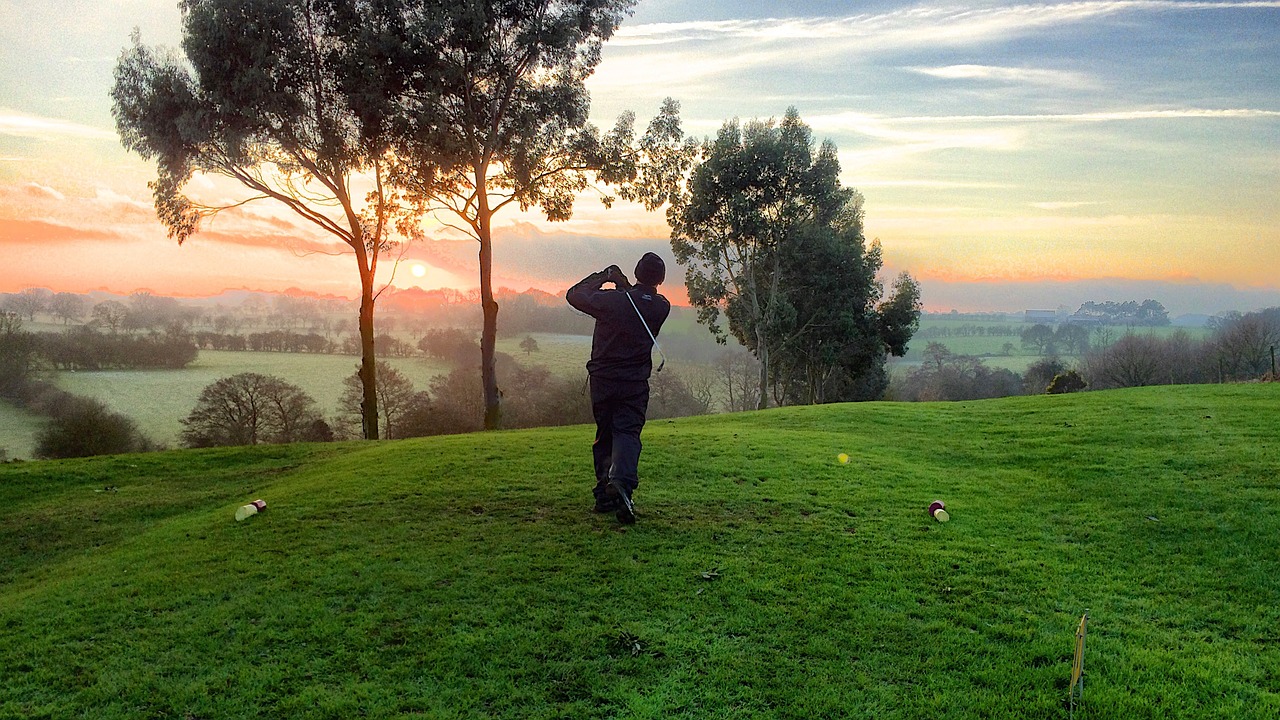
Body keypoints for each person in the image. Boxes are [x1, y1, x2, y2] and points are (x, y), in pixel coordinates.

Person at [566, 252, 670, 523]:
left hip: (603, 379)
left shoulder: (612, 301)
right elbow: (638, 301)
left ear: (636, 272)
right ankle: (622, 483)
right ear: (660, 279)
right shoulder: (662, 306)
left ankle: (606, 493)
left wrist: (605, 276)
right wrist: (625, 286)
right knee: (627, 431)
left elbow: (574, 294)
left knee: (605, 433)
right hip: (634, 382)